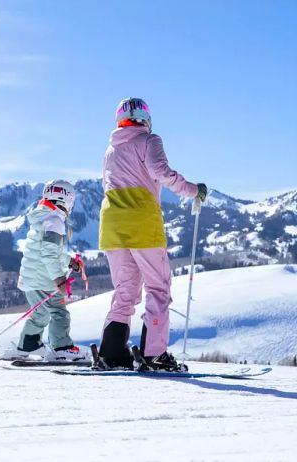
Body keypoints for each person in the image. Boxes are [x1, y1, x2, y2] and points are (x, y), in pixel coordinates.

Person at [97, 97, 207, 370]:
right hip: (142, 223)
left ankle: (111, 353)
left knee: (125, 290)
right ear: (145, 118)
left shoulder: (110, 150)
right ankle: (153, 354)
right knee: (158, 288)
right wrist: (194, 190)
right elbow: (162, 172)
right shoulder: (149, 140)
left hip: (112, 224)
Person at [12, 180, 85, 361]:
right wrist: (59, 279)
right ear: (65, 199)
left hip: (31, 279)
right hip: (43, 279)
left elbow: (52, 252)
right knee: (59, 313)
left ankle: (29, 344)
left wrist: (70, 263)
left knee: (40, 313)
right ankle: (62, 348)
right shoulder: (54, 221)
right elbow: (49, 255)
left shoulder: (44, 217)